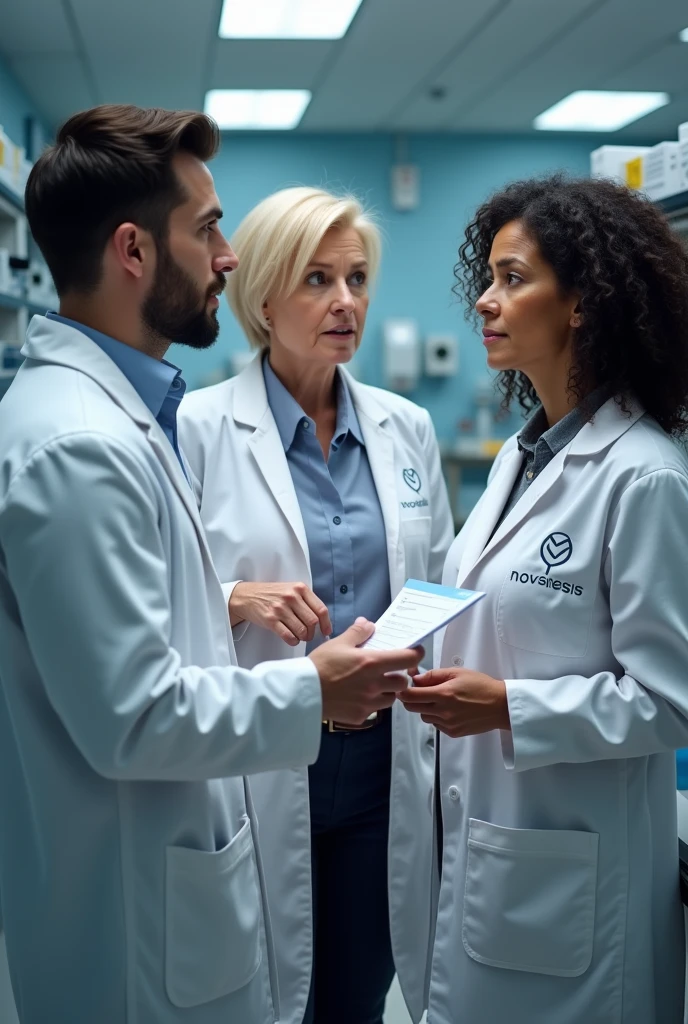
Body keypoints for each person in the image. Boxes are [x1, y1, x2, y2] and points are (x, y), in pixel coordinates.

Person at [0, 107, 423, 1024]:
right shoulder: (81, 445)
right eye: (206, 229)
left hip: (208, 864)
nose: (226, 255)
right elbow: (137, 714)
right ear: (134, 252)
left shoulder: (119, 421)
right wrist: (316, 691)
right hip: (135, 929)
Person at [399, 173, 688, 1024]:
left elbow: (672, 702)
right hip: (493, 846)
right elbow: (490, 604)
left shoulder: (646, 478)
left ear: (583, 305)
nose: (485, 302)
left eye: (513, 279)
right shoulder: (518, 459)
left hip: (578, 884)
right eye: (487, 277)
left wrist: (509, 708)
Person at [178, 186, 454, 1024]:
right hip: (259, 762)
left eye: (358, 278)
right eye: (317, 279)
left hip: (383, 776)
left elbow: (437, 579)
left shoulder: (406, 429)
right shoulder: (195, 428)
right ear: (262, 296)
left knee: (354, 998)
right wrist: (233, 597)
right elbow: (160, 601)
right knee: (255, 998)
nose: (346, 302)